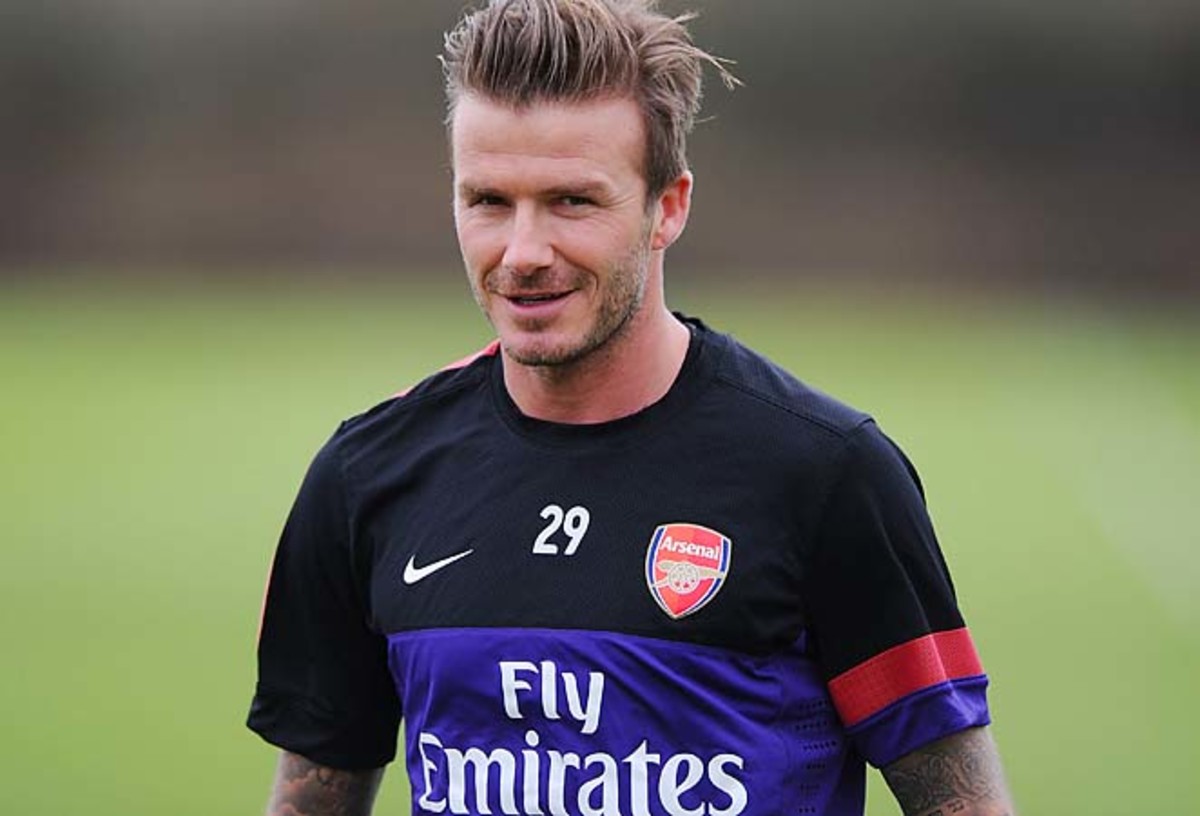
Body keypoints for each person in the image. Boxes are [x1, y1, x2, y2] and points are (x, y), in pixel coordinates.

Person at [248, 1, 1016, 814]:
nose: (523, 253)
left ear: (668, 207)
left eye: (572, 202)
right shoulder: (369, 477)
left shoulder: (827, 476)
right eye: (488, 201)